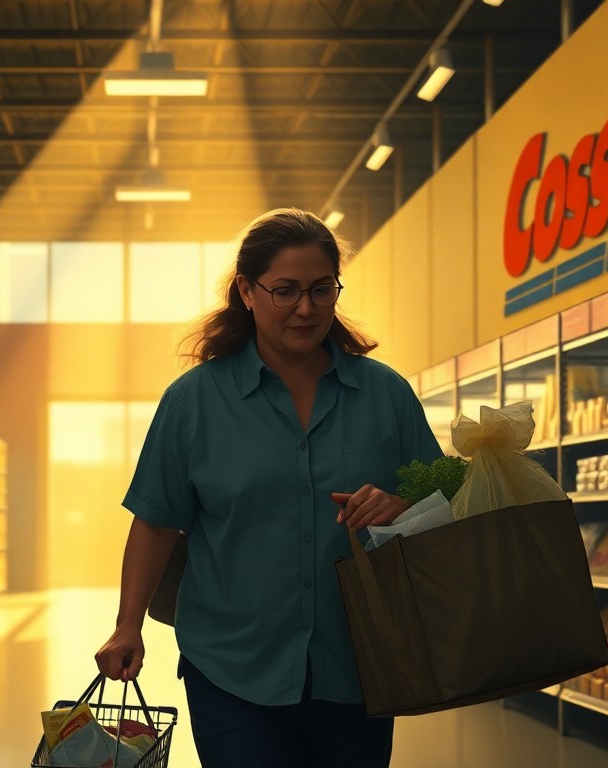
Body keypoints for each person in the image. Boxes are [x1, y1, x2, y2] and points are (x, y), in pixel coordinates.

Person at [94, 208, 442, 768]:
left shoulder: (386, 395)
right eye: (285, 291)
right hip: (231, 665)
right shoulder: (194, 403)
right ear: (247, 292)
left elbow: (443, 501)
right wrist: (127, 625)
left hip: (361, 664)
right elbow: (157, 520)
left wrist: (401, 505)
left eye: (321, 290)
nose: (305, 309)